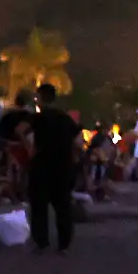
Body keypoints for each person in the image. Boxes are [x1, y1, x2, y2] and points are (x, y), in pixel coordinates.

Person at [28, 83, 81, 253]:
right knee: (63, 207)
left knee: (39, 207)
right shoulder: (65, 118)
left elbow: (27, 137)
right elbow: (77, 142)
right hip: (63, 167)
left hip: (42, 167)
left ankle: (41, 242)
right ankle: (64, 244)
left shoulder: (38, 119)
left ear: (40, 98)